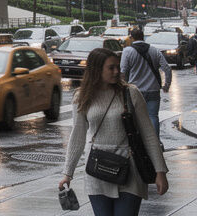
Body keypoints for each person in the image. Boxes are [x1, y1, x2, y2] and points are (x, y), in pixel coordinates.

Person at [59, 47, 168, 216]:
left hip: (130, 169)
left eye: (118, 66)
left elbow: (148, 134)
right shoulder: (82, 96)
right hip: (97, 171)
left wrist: (160, 172)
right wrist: (68, 173)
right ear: (96, 70)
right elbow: (78, 135)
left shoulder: (131, 93)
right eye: (111, 67)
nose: (117, 71)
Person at [121, 26, 172, 133]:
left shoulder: (127, 51)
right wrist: (166, 85)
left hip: (135, 90)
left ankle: (140, 143)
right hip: (153, 89)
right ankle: (155, 142)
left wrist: (123, 88)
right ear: (143, 37)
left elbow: (123, 71)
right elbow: (167, 68)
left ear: (132, 38)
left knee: (135, 117)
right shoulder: (154, 50)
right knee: (153, 116)